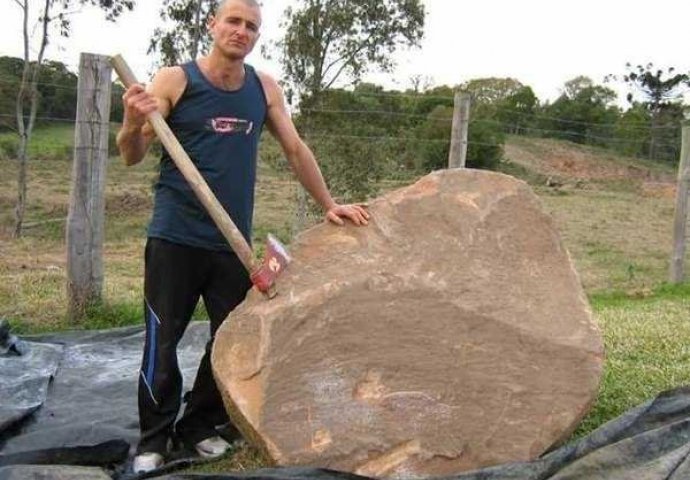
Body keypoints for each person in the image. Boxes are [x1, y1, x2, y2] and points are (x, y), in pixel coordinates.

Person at [116, 0, 370, 473]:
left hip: (231, 241)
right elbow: (131, 154)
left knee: (230, 336)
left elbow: (294, 148)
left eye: (251, 26)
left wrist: (328, 203)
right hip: (174, 237)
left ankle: (199, 425)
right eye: (232, 21)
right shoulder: (176, 80)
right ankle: (154, 438)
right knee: (162, 338)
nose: (241, 31)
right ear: (213, 25)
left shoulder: (263, 88)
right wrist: (133, 120)